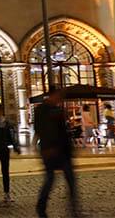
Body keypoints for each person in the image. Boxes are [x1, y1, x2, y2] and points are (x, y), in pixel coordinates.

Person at [34, 89, 79, 218]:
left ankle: (73, 208)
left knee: (67, 180)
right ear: (52, 96)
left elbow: (61, 130)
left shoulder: (56, 110)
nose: (60, 99)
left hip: (62, 150)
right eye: (58, 96)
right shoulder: (43, 110)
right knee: (51, 179)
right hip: (52, 150)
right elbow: (43, 130)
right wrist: (48, 147)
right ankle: (41, 206)